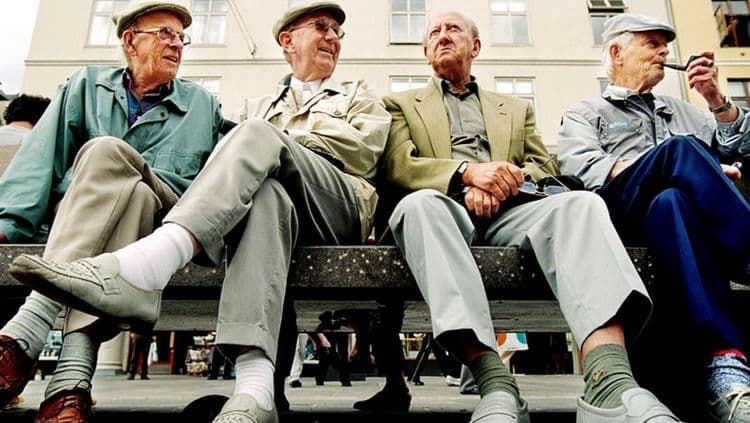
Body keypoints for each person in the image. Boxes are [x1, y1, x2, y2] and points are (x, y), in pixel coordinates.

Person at [8, 2, 390, 422]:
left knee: (257, 139)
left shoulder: (358, 95)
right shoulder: (257, 104)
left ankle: (148, 265)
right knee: (263, 193)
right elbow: (229, 170)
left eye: (338, 31)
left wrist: (279, 143)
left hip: (335, 204)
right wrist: (11, 221)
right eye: (322, 27)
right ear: (288, 41)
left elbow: (361, 151)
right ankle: (255, 391)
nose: (333, 37)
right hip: (270, 215)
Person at [375, 10, 682, 422]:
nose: (443, 36)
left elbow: (542, 167)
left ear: (476, 46)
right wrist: (467, 175)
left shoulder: (515, 108)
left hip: (512, 212)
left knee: (582, 204)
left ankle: (610, 383)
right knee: (418, 207)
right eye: (434, 32)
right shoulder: (398, 104)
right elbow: (398, 166)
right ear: (426, 51)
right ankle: (495, 386)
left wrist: (504, 181)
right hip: (443, 208)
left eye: (454, 29)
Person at [0, 0, 222, 421]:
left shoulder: (202, 104)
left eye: (181, 37)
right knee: (132, 196)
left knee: (107, 153)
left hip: (162, 220)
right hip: (103, 215)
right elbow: (43, 154)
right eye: (165, 33)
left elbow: (211, 181)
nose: (177, 44)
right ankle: (70, 384)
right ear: (130, 41)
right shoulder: (86, 85)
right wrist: (10, 221)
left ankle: (27, 327)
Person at [557, 13, 750, 422]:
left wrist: (716, 100)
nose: (664, 52)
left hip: (676, 221)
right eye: (652, 44)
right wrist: (681, 165)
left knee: (672, 200)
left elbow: (740, 150)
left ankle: (726, 369)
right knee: (679, 153)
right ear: (616, 52)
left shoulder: (688, 112)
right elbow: (582, 167)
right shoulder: (585, 111)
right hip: (618, 212)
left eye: (666, 45)